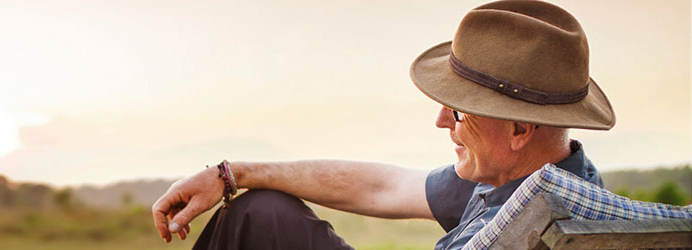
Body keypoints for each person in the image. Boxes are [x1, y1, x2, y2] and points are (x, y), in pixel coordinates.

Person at [150, 1, 614, 249]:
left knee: (253, 221)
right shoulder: (549, 184)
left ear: (518, 130)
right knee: (263, 212)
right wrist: (233, 175)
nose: (439, 121)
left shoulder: (528, 225)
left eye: (456, 110)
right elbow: (383, 187)